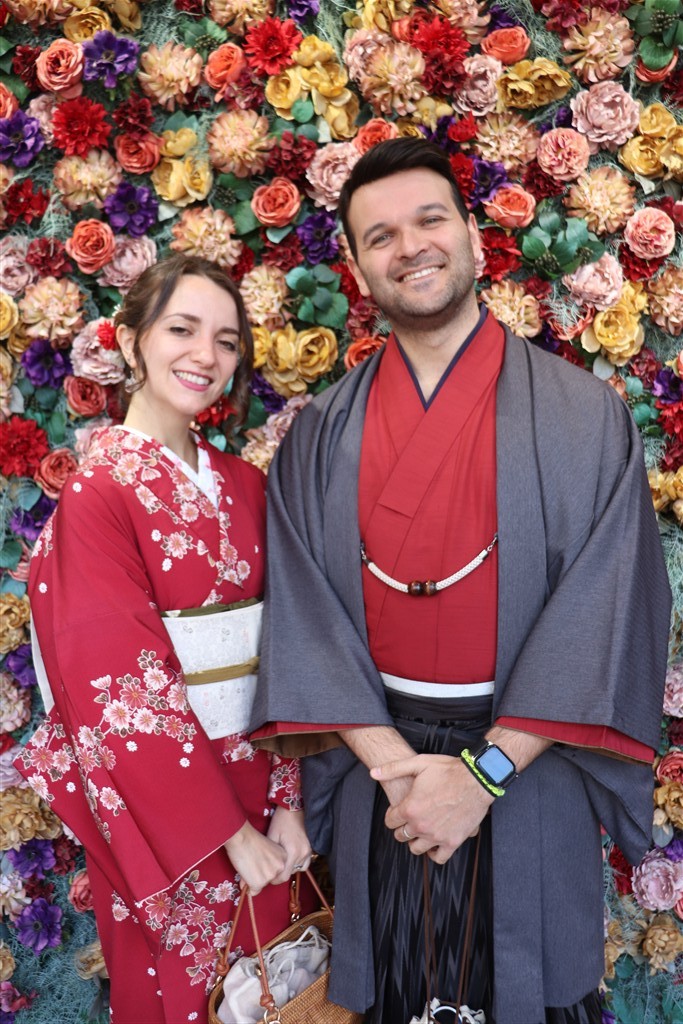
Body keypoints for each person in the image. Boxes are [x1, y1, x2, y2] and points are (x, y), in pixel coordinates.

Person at [250, 139, 672, 1024]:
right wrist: (396, 770)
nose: (409, 246)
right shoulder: (319, 434)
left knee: (534, 992)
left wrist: (482, 775)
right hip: (384, 777)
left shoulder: (582, 415)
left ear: (475, 238)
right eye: (380, 236)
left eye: (429, 220)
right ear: (358, 269)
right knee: (394, 988)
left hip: (528, 759)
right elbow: (303, 616)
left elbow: (608, 607)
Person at [15, 254, 312, 1024]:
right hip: (168, 808)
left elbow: (288, 644)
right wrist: (229, 834)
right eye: (182, 329)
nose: (205, 355)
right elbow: (117, 685)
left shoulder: (245, 485)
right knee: (186, 996)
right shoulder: (99, 493)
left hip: (264, 785)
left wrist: (287, 802)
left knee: (286, 989)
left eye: (226, 340)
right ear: (130, 340)